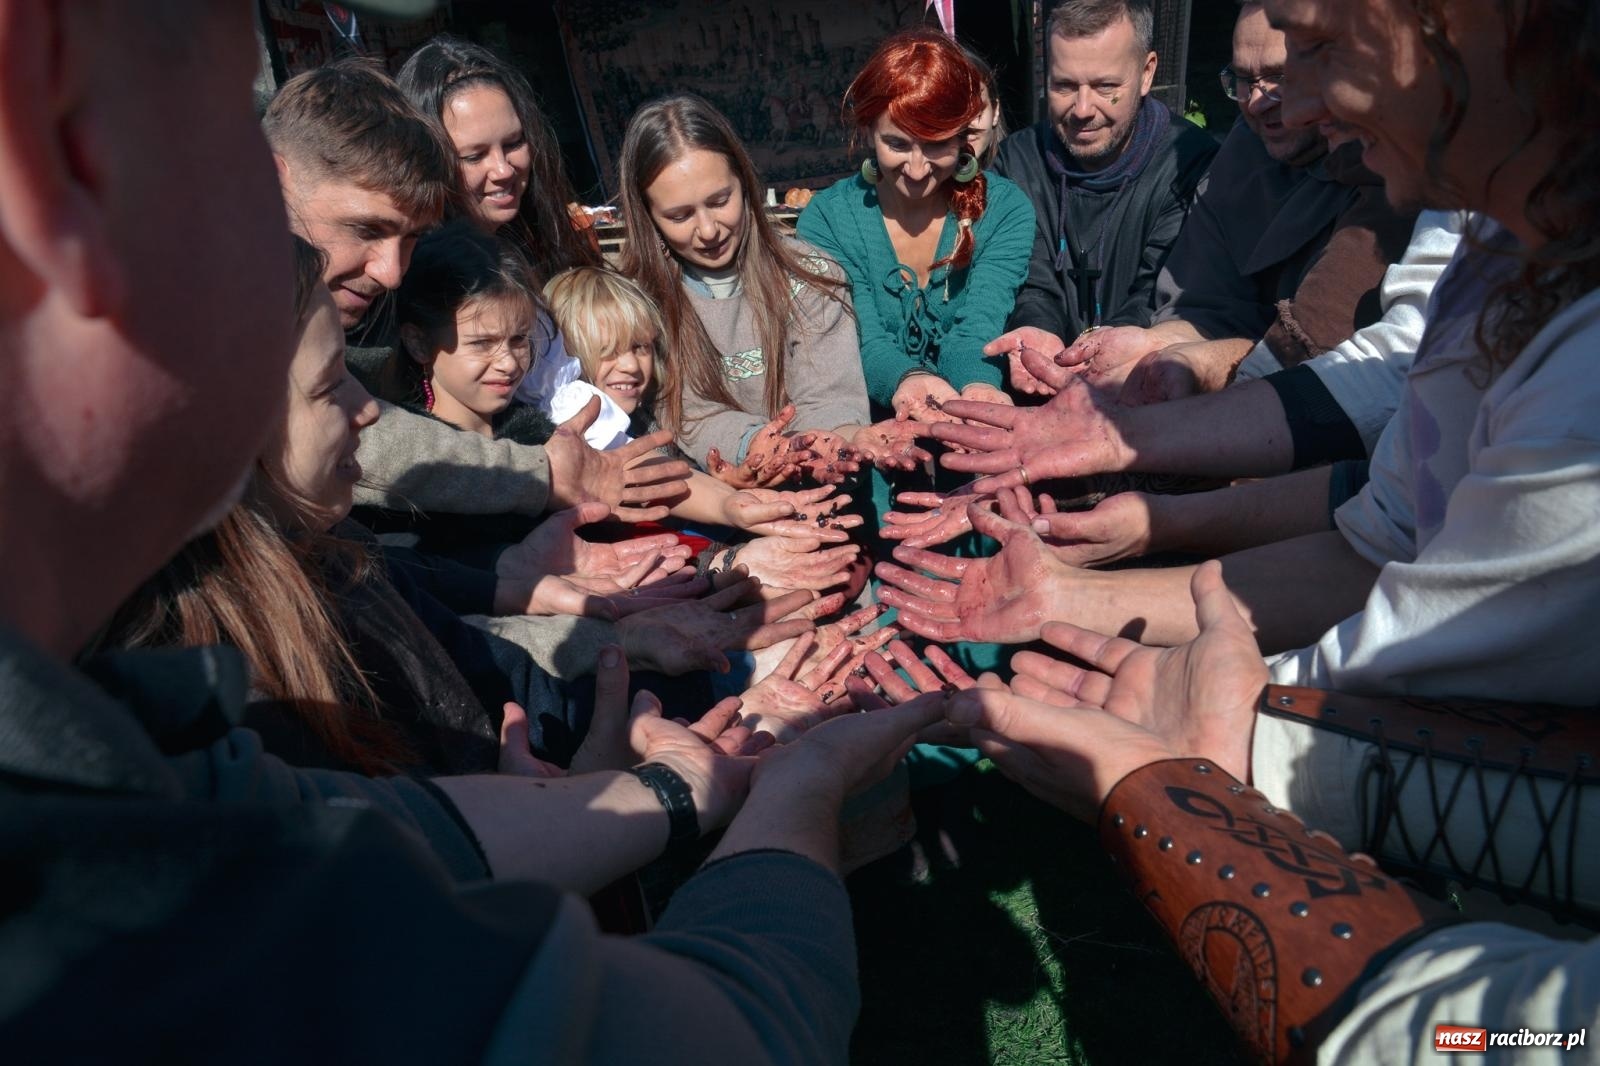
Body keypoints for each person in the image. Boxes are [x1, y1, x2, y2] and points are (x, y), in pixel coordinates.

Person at [0, 4, 951, 1061]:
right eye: (230, 131)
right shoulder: (116, 850)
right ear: (56, 149)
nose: (367, 407)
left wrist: (666, 781)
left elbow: (367, 829)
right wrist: (792, 788)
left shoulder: (129, 734)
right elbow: (721, 1030)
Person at [878, 0, 1600, 714]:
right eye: (1247, 77)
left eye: (1320, 50)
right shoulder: (1474, 224)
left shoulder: (1562, 337)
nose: (1297, 105)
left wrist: (1222, 724)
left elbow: (1447, 640)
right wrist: (1091, 550)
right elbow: (1382, 514)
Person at [265, 57, 695, 537]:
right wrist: (541, 476)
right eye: (366, 229)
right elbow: (369, 441)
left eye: (410, 239)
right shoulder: (211, 306)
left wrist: (504, 586)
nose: (391, 274)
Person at [999, 0, 1418, 404]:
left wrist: (1199, 364)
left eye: (1281, 78)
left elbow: (1318, 343)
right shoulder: (1244, 151)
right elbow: (1199, 296)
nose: (1257, 101)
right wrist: (1151, 344)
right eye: (1243, 80)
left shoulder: (1395, 175)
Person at [616, 94, 927, 483]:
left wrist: (831, 442)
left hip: (817, 492)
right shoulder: (635, 305)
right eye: (680, 216)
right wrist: (753, 445)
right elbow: (686, 414)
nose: (709, 230)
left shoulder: (812, 275)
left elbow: (830, 395)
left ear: (745, 184)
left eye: (720, 200)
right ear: (649, 218)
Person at [986, 0, 1216, 346]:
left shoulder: (1189, 166)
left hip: (1144, 378)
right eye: (1064, 86)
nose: (1082, 109)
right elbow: (1027, 281)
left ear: (1146, 73)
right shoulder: (1014, 163)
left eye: (1105, 87)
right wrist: (1038, 334)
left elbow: (1160, 291)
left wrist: (1106, 349)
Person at [397, 34, 602, 282]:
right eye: (474, 156)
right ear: (426, 162)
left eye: (514, 143)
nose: (503, 170)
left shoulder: (552, 240)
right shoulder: (420, 285)